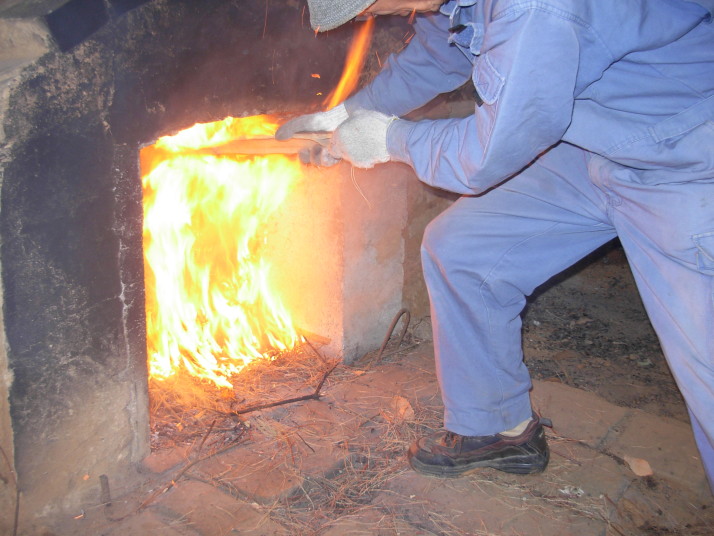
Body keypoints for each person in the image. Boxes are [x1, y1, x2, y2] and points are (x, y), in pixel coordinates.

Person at [276, 0, 714, 486]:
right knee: (462, 250)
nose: (369, 19)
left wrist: (389, 141)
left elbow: (487, 154)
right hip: (598, 143)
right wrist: (348, 113)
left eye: (370, 7)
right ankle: (498, 428)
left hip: (688, 158)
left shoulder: (535, 9)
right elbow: (438, 54)